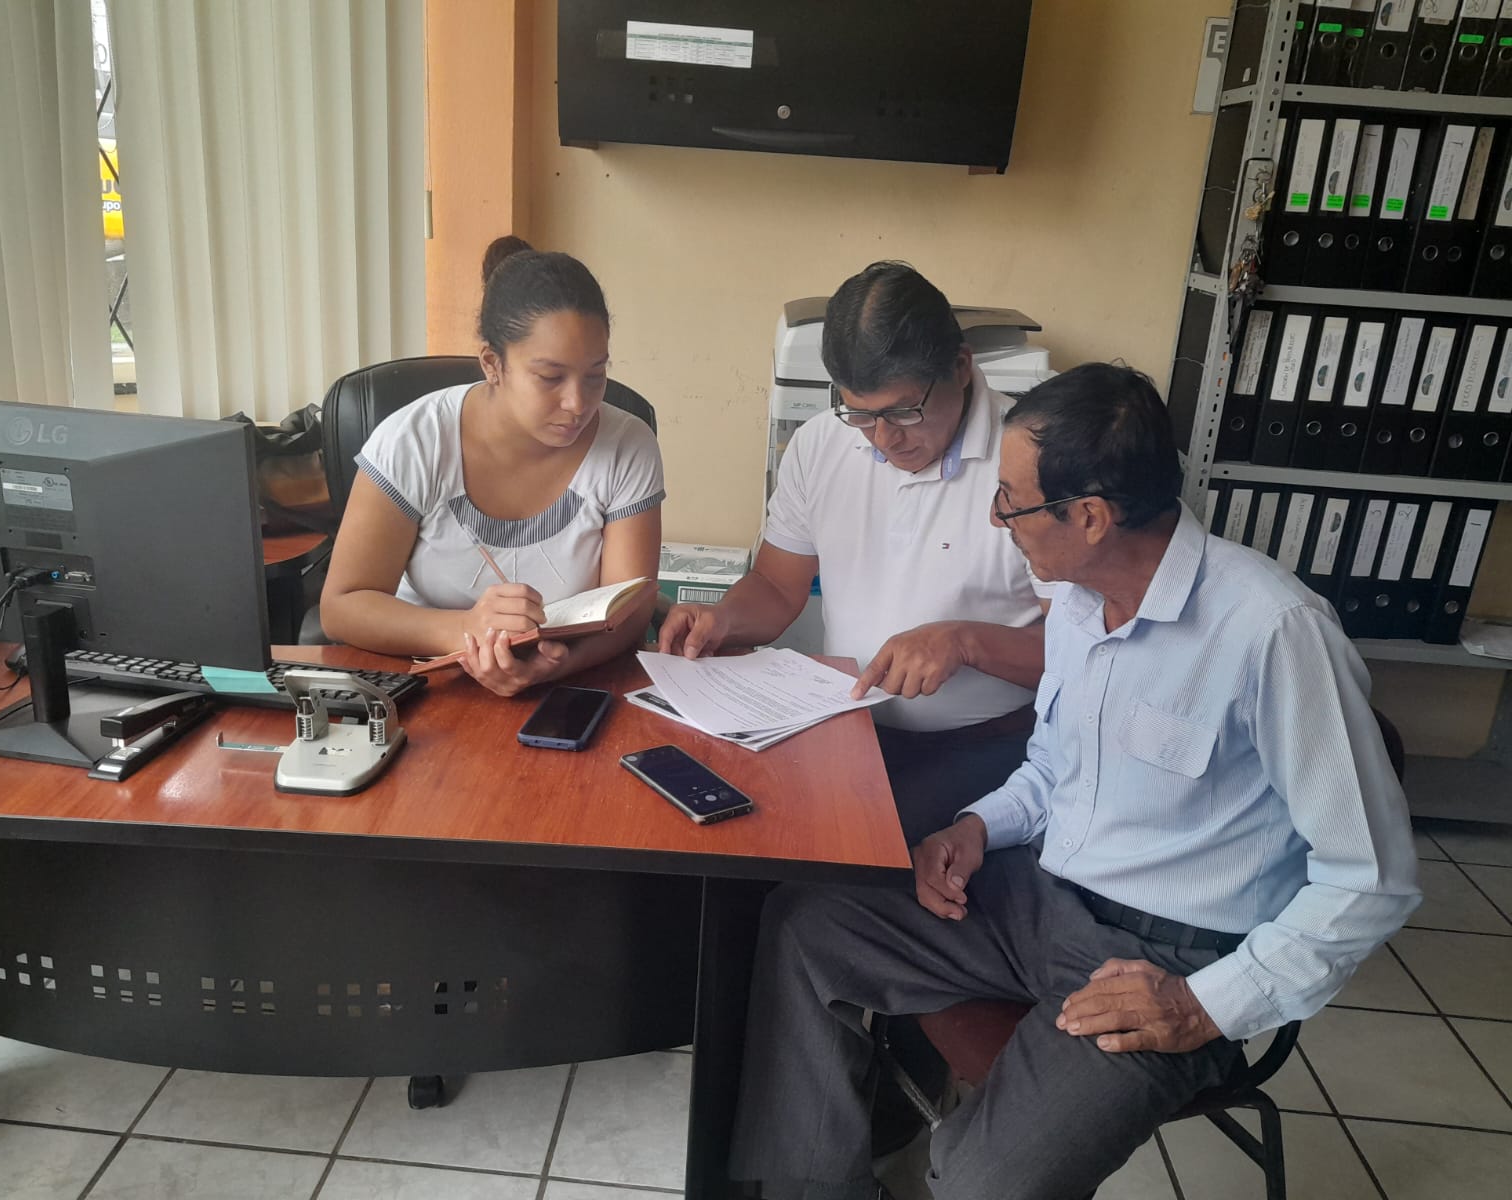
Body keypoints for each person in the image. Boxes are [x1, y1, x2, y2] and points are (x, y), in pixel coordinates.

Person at [727, 363, 1421, 1200]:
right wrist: (974, 828)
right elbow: (1055, 768)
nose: (997, 518)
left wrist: (1204, 1004)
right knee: (807, 925)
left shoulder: (1273, 631)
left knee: (979, 1184)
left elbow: (1371, 879)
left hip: (1166, 959)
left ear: (1089, 517)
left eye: (1011, 502)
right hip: (1040, 901)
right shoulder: (1082, 602)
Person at [658, 262, 1048, 846]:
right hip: (844, 724)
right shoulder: (821, 444)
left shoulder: (1031, 461)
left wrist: (966, 642)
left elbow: (1087, 655)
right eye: (861, 414)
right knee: (725, 827)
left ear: (961, 367)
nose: (884, 439)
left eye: (903, 411)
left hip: (987, 746)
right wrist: (723, 619)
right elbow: (776, 586)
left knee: (837, 853)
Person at [320, 241, 664, 696]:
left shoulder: (627, 446)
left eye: (595, 375)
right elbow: (342, 606)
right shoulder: (414, 442)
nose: (578, 403)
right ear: (492, 364)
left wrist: (553, 668)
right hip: (427, 689)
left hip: (570, 690)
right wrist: (467, 629)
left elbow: (631, 610)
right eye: (550, 377)